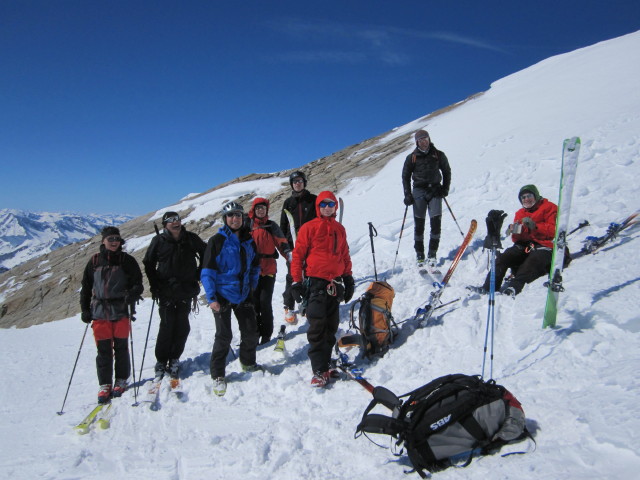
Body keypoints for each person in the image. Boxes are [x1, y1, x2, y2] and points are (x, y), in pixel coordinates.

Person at [290, 191, 354, 388]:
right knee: (317, 326)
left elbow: (344, 254)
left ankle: (326, 365)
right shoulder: (309, 228)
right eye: (323, 204)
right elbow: (298, 255)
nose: (327, 207)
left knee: (331, 326)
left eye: (331, 204)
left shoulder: (339, 229)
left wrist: (348, 277)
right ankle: (318, 370)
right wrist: (296, 282)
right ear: (318, 207)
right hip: (315, 283)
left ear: (335, 207)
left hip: (335, 284)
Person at [201, 202, 261, 397]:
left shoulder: (248, 240)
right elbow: (207, 271)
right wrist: (211, 297)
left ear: (243, 218)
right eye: (230, 216)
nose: (235, 219)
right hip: (222, 296)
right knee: (224, 336)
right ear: (225, 219)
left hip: (243, 293)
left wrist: (252, 284)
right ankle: (218, 374)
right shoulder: (216, 241)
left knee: (251, 331)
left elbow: (255, 265)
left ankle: (248, 362)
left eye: (238, 216)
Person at [80, 226, 143, 404]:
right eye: (110, 239)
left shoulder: (127, 260)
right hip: (99, 312)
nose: (114, 242)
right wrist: (85, 309)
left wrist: (133, 294)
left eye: (116, 239)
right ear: (103, 241)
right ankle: (105, 384)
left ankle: (121, 379)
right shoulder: (94, 262)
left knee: (121, 348)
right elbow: (86, 288)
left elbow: (138, 283)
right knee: (103, 350)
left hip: (121, 310)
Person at [142, 211, 206, 386]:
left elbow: (206, 253)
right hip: (166, 291)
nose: (175, 223)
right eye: (171, 221)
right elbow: (148, 262)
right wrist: (155, 284)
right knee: (167, 325)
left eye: (177, 219)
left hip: (186, 290)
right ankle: (162, 360)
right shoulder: (159, 241)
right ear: (165, 225)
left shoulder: (190, 238)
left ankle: (175, 358)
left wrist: (199, 273)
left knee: (182, 325)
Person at [474, 185, 563, 297]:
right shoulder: (520, 213)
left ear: (535, 195)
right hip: (525, 245)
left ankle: (515, 287)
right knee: (504, 257)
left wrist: (535, 227)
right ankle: (488, 287)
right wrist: (517, 231)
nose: (526, 199)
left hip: (544, 245)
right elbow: (515, 239)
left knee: (532, 261)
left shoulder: (550, 208)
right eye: (523, 198)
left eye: (529, 196)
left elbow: (553, 231)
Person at [401, 129, 452, 268]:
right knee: (419, 225)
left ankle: (432, 254)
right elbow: (405, 176)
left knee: (436, 224)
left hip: (435, 190)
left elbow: (447, 171)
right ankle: (420, 255)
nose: (424, 142)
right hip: (418, 191)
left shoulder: (438, 155)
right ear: (417, 142)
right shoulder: (412, 157)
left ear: (429, 139)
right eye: (420, 140)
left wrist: (445, 189)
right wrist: (407, 194)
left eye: (425, 139)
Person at [248, 198, 292, 344]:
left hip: (268, 270)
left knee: (265, 302)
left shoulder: (271, 225)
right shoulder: (247, 225)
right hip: (251, 272)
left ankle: (266, 334)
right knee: (253, 304)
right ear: (254, 210)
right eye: (258, 208)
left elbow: (281, 242)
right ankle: (254, 334)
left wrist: (289, 257)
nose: (261, 210)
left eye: (263, 208)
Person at [280, 171, 317, 324]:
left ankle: (308, 303)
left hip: (311, 245)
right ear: (292, 184)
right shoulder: (288, 203)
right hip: (293, 246)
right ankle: (288, 306)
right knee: (292, 275)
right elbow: (283, 226)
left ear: (304, 182)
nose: (297, 183)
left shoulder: (313, 199)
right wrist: (286, 247)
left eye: (300, 181)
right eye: (295, 181)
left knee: (309, 275)